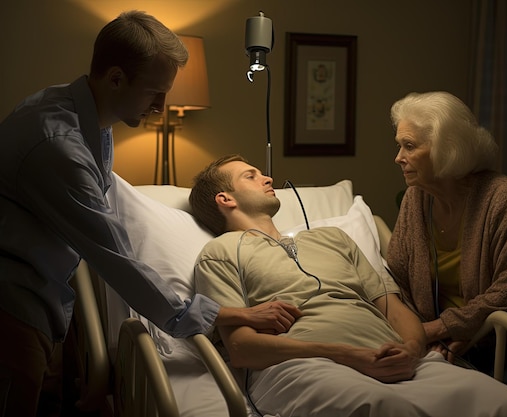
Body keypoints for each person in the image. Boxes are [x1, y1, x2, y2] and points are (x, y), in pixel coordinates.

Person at [0, 11, 300, 417]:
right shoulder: (59, 146)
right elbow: (117, 259)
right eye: (154, 93)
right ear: (116, 78)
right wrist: (224, 314)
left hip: (40, 302)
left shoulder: (88, 119)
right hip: (12, 310)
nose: (161, 107)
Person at [189, 154, 507, 417]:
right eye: (251, 175)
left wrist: (414, 350)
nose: (268, 178)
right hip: (302, 366)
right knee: (386, 410)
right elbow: (240, 349)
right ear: (226, 198)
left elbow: (393, 309)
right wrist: (351, 357)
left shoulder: (332, 239)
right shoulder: (220, 253)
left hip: (395, 357)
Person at [386, 91, 507, 403]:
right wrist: (432, 336)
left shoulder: (499, 195)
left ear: (445, 149)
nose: (398, 157)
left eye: (409, 146)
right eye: (400, 146)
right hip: (443, 344)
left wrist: (441, 330)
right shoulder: (415, 199)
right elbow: (399, 277)